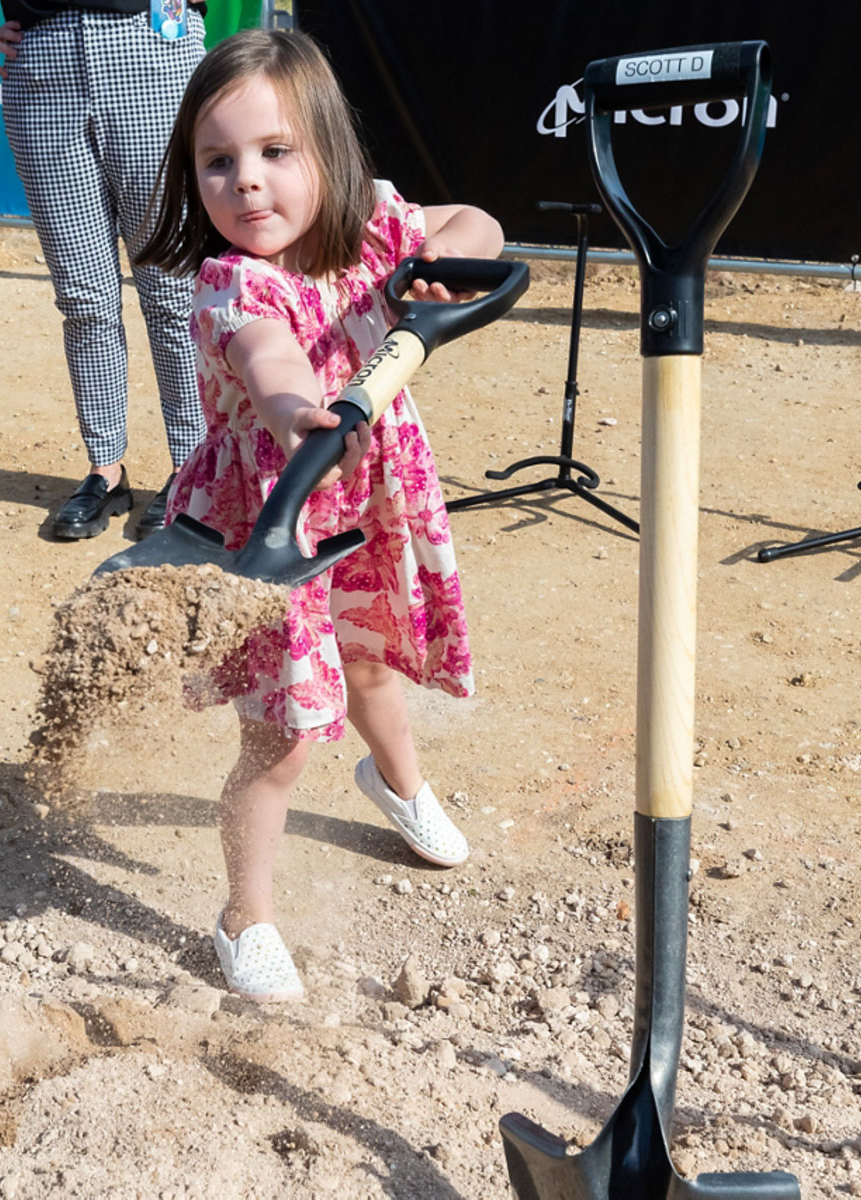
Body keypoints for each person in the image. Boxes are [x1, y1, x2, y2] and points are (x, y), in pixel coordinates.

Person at [132, 29, 504, 1002]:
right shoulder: (232, 282)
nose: (246, 183)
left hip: (367, 508)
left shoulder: (377, 227)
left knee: (375, 660)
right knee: (284, 735)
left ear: (328, 155)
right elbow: (270, 359)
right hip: (272, 530)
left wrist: (441, 270)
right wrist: (306, 416)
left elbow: (479, 223)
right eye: (218, 162)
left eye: (273, 153)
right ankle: (243, 917)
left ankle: (399, 784)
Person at [0, 0, 206, 542]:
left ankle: (195, 468)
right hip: (42, 56)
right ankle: (107, 469)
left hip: (152, 42)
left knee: (174, 289)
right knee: (83, 297)